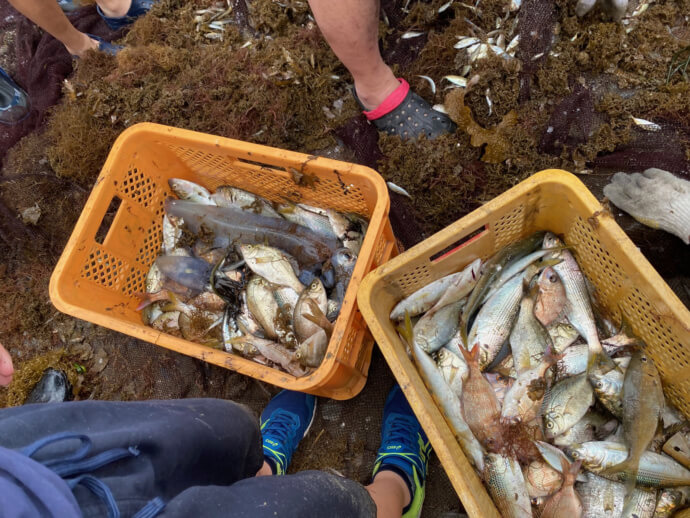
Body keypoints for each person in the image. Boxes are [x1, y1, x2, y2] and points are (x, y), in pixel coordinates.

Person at [0, 337, 431, 518]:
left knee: (222, 429)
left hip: (20, 459)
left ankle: (263, 467)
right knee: (326, 505)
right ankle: (398, 482)